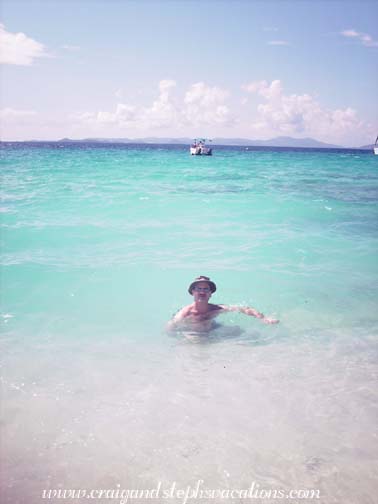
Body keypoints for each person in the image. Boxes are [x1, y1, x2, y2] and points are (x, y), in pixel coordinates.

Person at [166, 275, 279, 333]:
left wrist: (264, 318)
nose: (202, 291)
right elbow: (170, 326)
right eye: (198, 288)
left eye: (206, 289)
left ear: (211, 294)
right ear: (192, 292)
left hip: (213, 328)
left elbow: (245, 309)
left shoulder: (216, 309)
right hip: (194, 334)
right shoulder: (185, 313)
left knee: (238, 331)